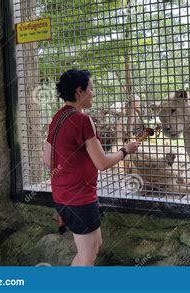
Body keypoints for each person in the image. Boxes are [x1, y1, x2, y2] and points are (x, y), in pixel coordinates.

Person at [42, 69, 140, 266]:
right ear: (80, 91)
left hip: (62, 196)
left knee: (94, 246)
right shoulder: (82, 120)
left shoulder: (58, 117)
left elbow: (46, 158)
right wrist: (125, 150)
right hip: (80, 200)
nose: (93, 93)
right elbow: (102, 163)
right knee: (88, 257)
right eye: (92, 89)